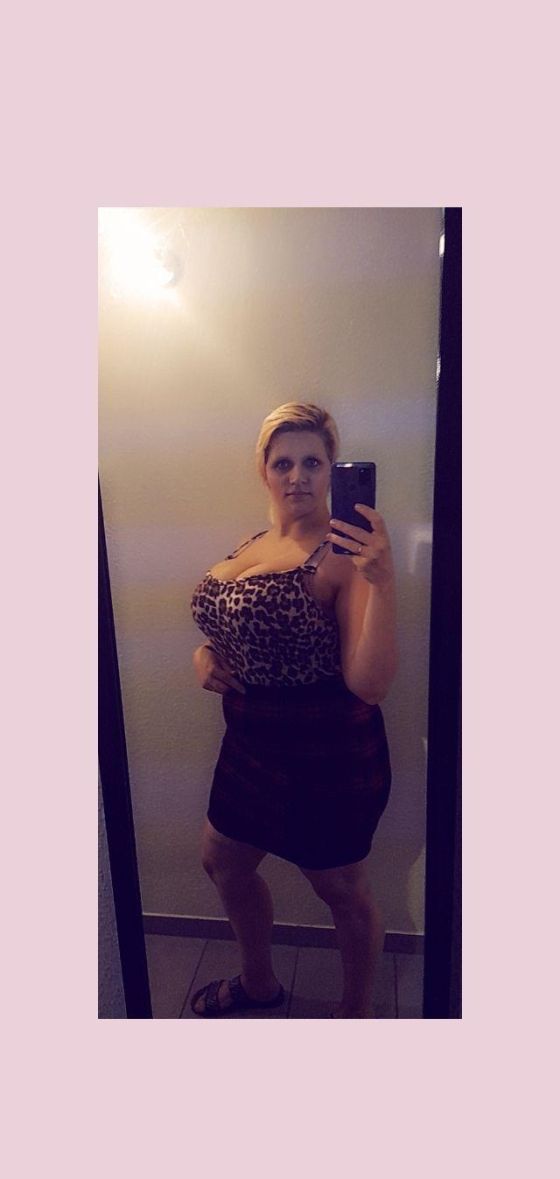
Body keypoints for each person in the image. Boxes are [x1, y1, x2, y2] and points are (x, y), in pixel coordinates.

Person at [190, 402, 397, 1018]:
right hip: (249, 742)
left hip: (326, 751)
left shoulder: (344, 553)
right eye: (284, 463)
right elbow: (241, 625)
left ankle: (356, 1016)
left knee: (341, 889)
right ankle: (259, 985)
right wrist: (206, 654)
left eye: (313, 462)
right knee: (222, 861)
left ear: (333, 470)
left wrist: (383, 581)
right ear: (264, 469)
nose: (298, 476)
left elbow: (369, 684)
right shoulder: (253, 544)